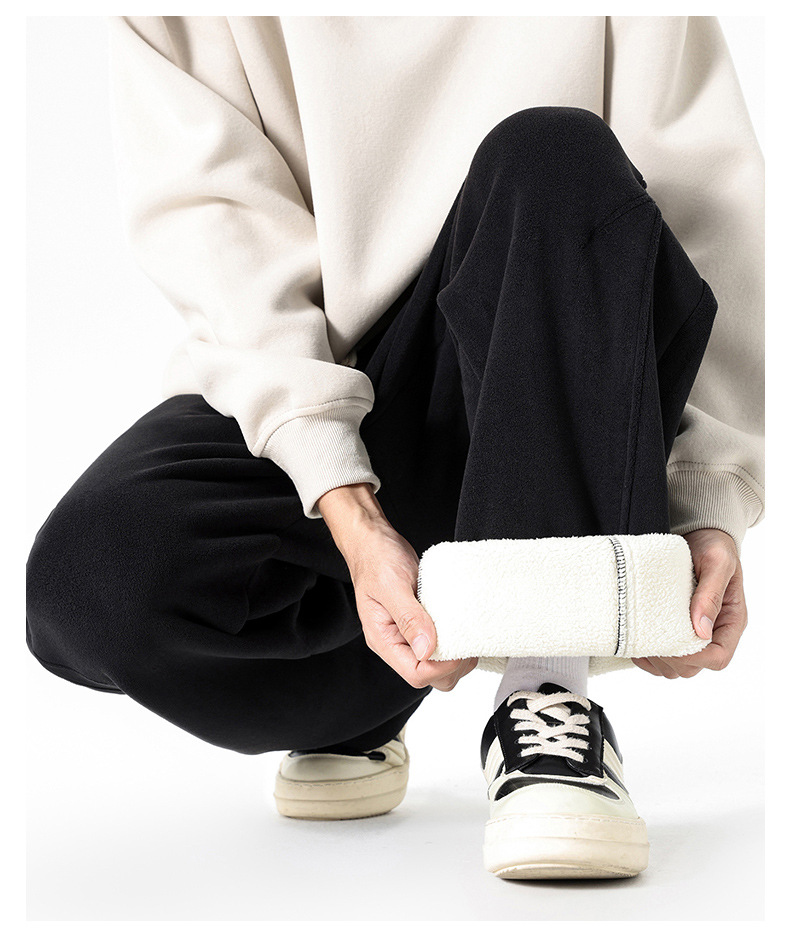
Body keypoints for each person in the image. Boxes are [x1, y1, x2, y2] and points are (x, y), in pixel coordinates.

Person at [26, 16, 764, 880]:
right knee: (93, 581)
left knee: (553, 154)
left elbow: (704, 204)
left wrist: (707, 495)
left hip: (553, 358)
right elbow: (218, 230)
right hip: (328, 367)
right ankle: (362, 702)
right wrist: (342, 494)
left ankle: (547, 695)